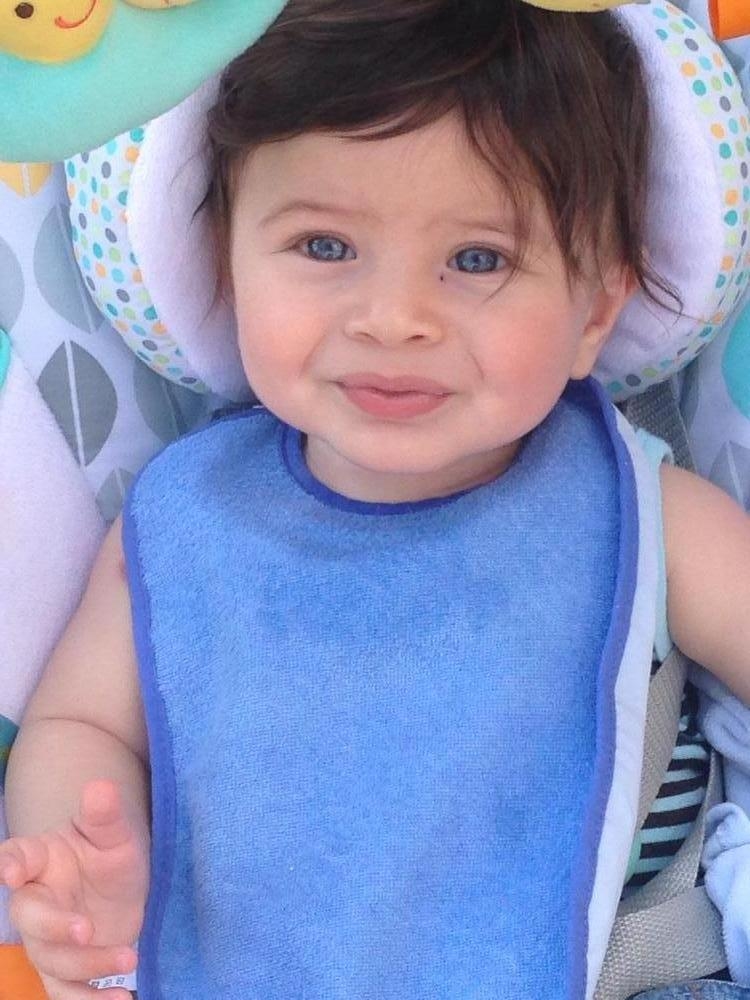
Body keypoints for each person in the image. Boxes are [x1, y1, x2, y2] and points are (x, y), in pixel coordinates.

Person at [1, 0, 750, 997]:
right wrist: (88, 869)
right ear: (225, 261)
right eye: (325, 246)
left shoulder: (646, 512)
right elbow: (79, 727)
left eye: (477, 260)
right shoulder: (184, 523)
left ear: (594, 311)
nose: (394, 319)